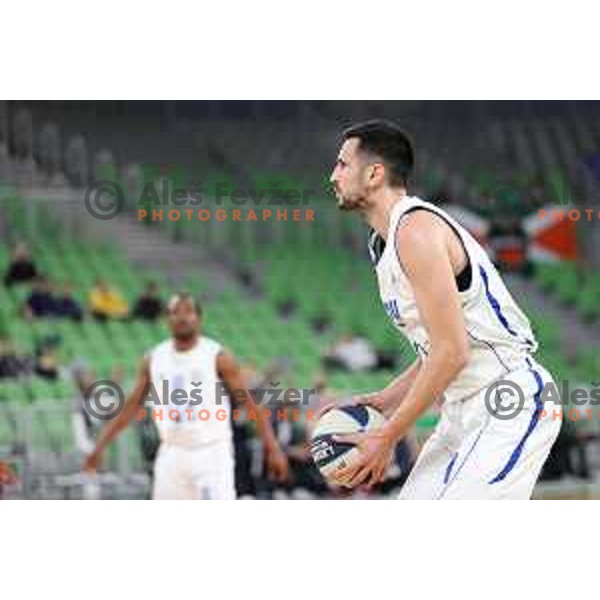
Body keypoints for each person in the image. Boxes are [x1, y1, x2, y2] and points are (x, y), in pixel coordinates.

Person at [326, 120, 561, 499]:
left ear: (373, 173)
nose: (333, 176)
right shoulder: (383, 242)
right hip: (459, 411)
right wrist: (386, 399)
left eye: (341, 164)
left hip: (506, 400)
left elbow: (452, 351)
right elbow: (440, 347)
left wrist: (388, 435)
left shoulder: (415, 231)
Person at [83, 293, 289, 499]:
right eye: (175, 312)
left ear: (199, 318)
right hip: (171, 452)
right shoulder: (154, 358)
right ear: (166, 319)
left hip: (210, 452)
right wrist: (99, 447)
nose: (182, 317)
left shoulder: (217, 356)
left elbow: (250, 406)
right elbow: (130, 408)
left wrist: (273, 448)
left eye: (188, 311)